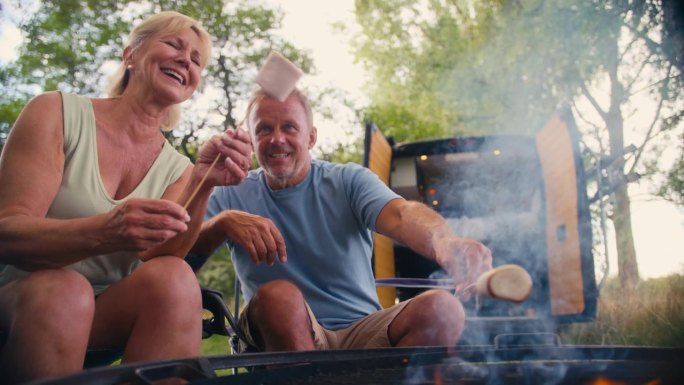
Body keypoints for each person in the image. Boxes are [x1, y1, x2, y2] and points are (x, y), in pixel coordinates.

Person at [0, 11, 252, 384]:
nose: (186, 60)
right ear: (130, 54)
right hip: (21, 299)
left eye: (197, 60)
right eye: (173, 44)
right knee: (66, 291)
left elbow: (161, 257)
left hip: (108, 313)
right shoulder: (55, 111)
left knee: (176, 278)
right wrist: (105, 231)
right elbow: (7, 234)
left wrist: (203, 182)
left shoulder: (178, 168)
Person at [188, 87, 493, 353]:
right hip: (280, 332)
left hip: (363, 330)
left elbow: (402, 215)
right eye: (264, 129)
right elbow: (182, 260)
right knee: (279, 297)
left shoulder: (347, 180)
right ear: (251, 141)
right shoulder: (230, 192)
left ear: (311, 137)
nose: (277, 139)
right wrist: (221, 225)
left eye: (290, 127)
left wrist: (445, 242)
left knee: (443, 308)